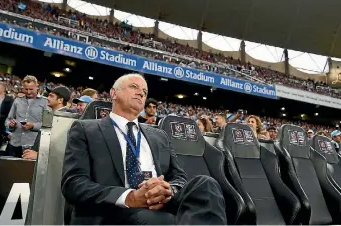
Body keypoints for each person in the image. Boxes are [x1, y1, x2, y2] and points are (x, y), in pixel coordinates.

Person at [61, 73, 226, 225]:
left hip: (161, 204)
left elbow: (179, 177)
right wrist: (130, 197)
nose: (141, 93)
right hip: (115, 210)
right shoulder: (85, 129)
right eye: (134, 87)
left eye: (145, 92)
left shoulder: (159, 135)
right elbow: (73, 184)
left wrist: (169, 190)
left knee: (206, 184)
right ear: (113, 93)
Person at [5, 76, 47, 157]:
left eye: (31, 89)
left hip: (32, 145)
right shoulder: (17, 100)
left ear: (37, 86)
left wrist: (33, 126)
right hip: (15, 143)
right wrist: (10, 124)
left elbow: (47, 124)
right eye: (26, 89)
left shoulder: (45, 102)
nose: (28, 92)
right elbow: (8, 120)